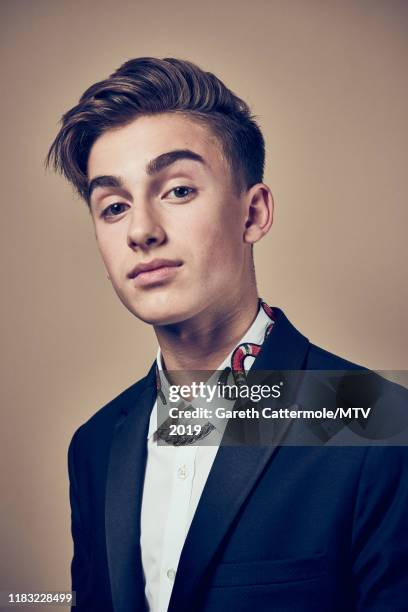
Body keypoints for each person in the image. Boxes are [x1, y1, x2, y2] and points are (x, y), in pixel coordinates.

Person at [47, 57, 408, 612]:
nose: (141, 231)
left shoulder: (380, 427)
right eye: (114, 206)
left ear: (253, 212)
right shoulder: (94, 446)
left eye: (179, 191)